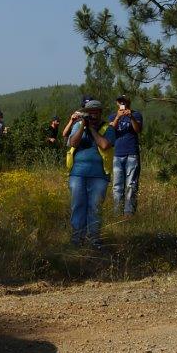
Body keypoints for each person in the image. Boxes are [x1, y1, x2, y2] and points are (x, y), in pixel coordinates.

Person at [65, 99, 115, 247]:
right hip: (78, 173)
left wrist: (92, 129)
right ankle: (77, 238)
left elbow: (105, 145)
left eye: (95, 112)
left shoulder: (108, 128)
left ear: (100, 113)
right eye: (89, 113)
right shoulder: (78, 126)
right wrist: (83, 126)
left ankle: (94, 238)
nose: (92, 115)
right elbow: (73, 143)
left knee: (95, 206)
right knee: (77, 205)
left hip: (99, 174)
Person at [109, 94, 143, 215]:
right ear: (117, 103)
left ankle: (129, 213)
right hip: (118, 154)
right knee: (117, 185)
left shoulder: (136, 114)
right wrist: (118, 117)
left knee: (131, 184)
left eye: (124, 101)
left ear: (129, 102)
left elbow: (138, 130)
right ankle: (117, 212)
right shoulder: (113, 116)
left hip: (131, 153)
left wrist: (131, 117)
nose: (122, 103)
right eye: (120, 101)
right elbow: (111, 131)